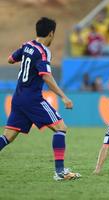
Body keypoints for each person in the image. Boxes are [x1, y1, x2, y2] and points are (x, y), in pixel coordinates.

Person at [0, 17, 81, 181]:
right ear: (51, 33)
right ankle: (60, 172)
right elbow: (47, 77)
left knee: (7, 137)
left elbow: (10, 59)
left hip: (18, 97)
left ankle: (61, 171)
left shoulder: (27, 45)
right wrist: (64, 97)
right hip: (32, 98)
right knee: (61, 128)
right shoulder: (43, 52)